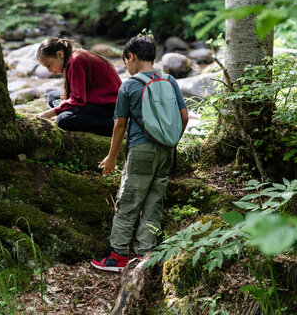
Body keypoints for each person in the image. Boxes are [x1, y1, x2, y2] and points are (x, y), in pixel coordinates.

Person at [91, 35, 189, 272]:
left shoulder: (130, 85)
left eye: (126, 63)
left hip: (140, 149)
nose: (127, 68)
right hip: (167, 150)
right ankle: (146, 253)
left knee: (129, 202)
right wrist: (171, 138)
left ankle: (118, 256)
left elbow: (120, 124)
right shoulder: (170, 80)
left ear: (131, 56)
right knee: (154, 201)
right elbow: (184, 116)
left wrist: (112, 157)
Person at [35, 37, 122, 137]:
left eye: (49, 65)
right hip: (92, 99)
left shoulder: (76, 61)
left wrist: (48, 114)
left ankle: (112, 125)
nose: (49, 70)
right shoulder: (73, 57)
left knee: (63, 120)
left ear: (59, 54)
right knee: (52, 97)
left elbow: (78, 100)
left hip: (109, 108)